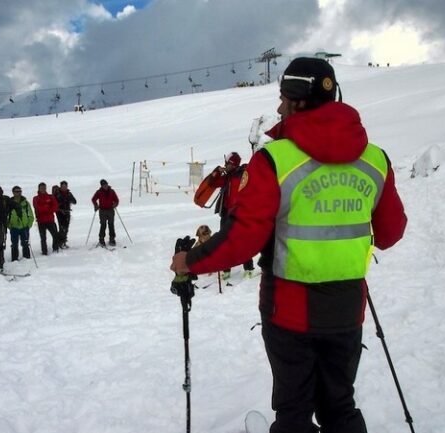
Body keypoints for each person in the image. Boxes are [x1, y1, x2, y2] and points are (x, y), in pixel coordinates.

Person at [170, 57, 407, 433]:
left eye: (283, 98)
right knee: (340, 406)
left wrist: (189, 261)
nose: (278, 107)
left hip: (289, 311)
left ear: (297, 101)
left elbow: (241, 241)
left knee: (294, 411)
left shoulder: (274, 160)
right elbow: (391, 233)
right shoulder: (375, 160)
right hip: (347, 308)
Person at [206, 151, 256, 280]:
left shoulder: (241, 175)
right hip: (226, 214)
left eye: (227, 163)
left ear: (233, 164)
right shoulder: (226, 177)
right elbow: (212, 183)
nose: (225, 165)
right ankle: (226, 270)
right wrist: (217, 172)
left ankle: (249, 269)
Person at [8, 185, 34, 261]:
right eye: (17, 191)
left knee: (25, 243)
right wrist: (9, 225)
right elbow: (6, 215)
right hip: (14, 227)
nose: (19, 193)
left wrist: (29, 224)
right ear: (13, 192)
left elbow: (31, 214)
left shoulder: (25, 203)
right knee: (14, 244)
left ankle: (27, 258)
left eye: (20, 191)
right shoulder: (9, 203)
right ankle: (14, 259)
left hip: (24, 226)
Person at [33, 183, 60, 254]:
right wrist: (47, 207)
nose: (43, 189)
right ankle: (44, 251)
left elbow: (55, 206)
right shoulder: (36, 198)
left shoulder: (50, 197)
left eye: (44, 188)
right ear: (38, 189)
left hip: (50, 220)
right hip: (41, 221)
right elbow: (37, 208)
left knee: (55, 235)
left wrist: (47, 209)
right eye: (41, 188)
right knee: (43, 238)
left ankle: (55, 249)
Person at [91, 179, 119, 247]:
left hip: (110, 210)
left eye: (106, 184)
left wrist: (115, 204)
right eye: (103, 185)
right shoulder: (99, 192)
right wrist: (96, 205)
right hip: (102, 211)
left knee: (111, 225)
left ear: (107, 184)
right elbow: (93, 199)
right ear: (101, 186)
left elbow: (116, 200)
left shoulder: (112, 191)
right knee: (103, 225)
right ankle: (101, 239)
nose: (105, 186)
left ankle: (112, 239)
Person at [54, 180, 77, 248]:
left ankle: (62, 242)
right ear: (60, 187)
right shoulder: (57, 194)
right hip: (59, 212)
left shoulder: (68, 193)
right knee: (62, 227)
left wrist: (69, 198)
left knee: (66, 228)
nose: (64, 187)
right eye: (63, 186)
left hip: (67, 212)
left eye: (65, 186)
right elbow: (53, 203)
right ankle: (60, 242)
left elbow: (75, 201)